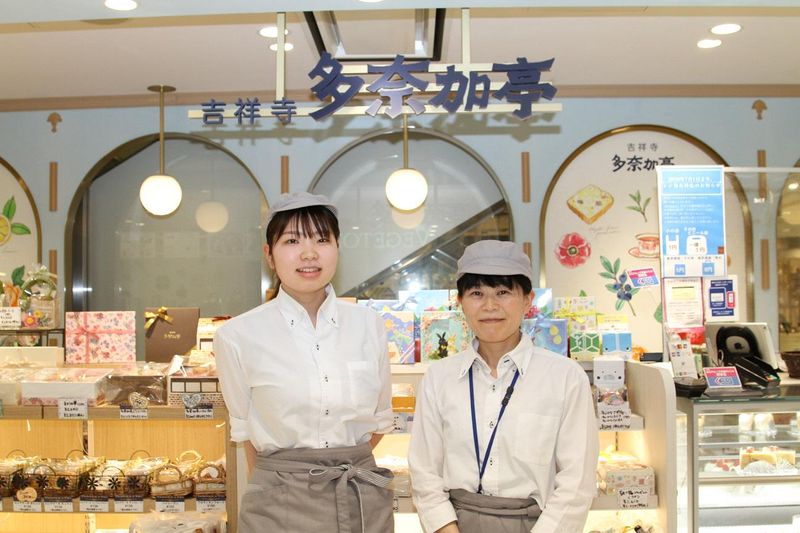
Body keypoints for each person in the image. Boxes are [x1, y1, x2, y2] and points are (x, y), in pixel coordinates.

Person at [214, 192, 395, 533]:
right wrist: (286, 479)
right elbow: (246, 435)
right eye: (292, 240)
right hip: (278, 505)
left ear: (337, 247)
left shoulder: (369, 325)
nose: (309, 253)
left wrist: (341, 461)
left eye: (322, 239)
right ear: (269, 254)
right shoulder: (237, 336)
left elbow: (380, 419)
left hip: (359, 495)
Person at [409, 240, 598, 533]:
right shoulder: (438, 378)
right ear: (459, 302)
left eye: (503, 292)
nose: (490, 306)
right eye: (476, 293)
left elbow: (577, 482)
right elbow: (424, 472)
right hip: (456, 525)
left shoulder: (566, 377)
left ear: (528, 300)